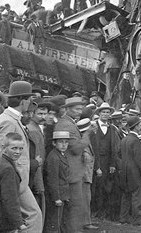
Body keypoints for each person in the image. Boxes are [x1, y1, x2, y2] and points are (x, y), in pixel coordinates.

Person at [0, 81, 43, 232]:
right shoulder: (8, 121)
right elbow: (1, 153)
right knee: (34, 215)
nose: (30, 103)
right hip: (13, 179)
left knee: (18, 219)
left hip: (15, 178)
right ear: (23, 101)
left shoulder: (9, 118)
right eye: (29, 100)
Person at [53, 97, 93, 231]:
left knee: (74, 208)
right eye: (76, 109)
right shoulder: (66, 125)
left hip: (73, 171)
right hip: (72, 172)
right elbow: (75, 149)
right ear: (67, 109)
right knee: (75, 208)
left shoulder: (69, 123)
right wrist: (88, 134)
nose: (79, 112)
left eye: (81, 109)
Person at [0, 132, 28, 233]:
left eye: (21, 148)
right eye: (14, 148)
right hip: (3, 221)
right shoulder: (7, 169)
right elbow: (10, 199)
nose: (18, 152)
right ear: (4, 147)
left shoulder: (1, 161)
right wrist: (19, 222)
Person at [119, 116, 141, 226]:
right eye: (139, 125)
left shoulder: (124, 139)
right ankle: (137, 220)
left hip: (124, 171)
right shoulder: (135, 140)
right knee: (137, 196)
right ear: (136, 126)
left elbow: (119, 154)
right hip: (134, 172)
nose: (140, 126)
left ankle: (123, 218)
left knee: (126, 195)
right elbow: (139, 159)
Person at [43, 130, 70, 233]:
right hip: (56, 196)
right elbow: (52, 179)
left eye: (66, 142)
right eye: (60, 142)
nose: (64, 145)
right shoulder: (54, 157)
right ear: (54, 143)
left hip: (62, 194)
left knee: (59, 222)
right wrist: (56, 198)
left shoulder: (61, 154)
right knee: (54, 223)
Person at [26, 100, 47, 212]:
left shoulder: (37, 127)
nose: (43, 117)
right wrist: (39, 184)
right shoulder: (33, 130)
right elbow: (37, 157)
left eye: (45, 114)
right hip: (35, 175)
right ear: (32, 114)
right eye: (40, 114)